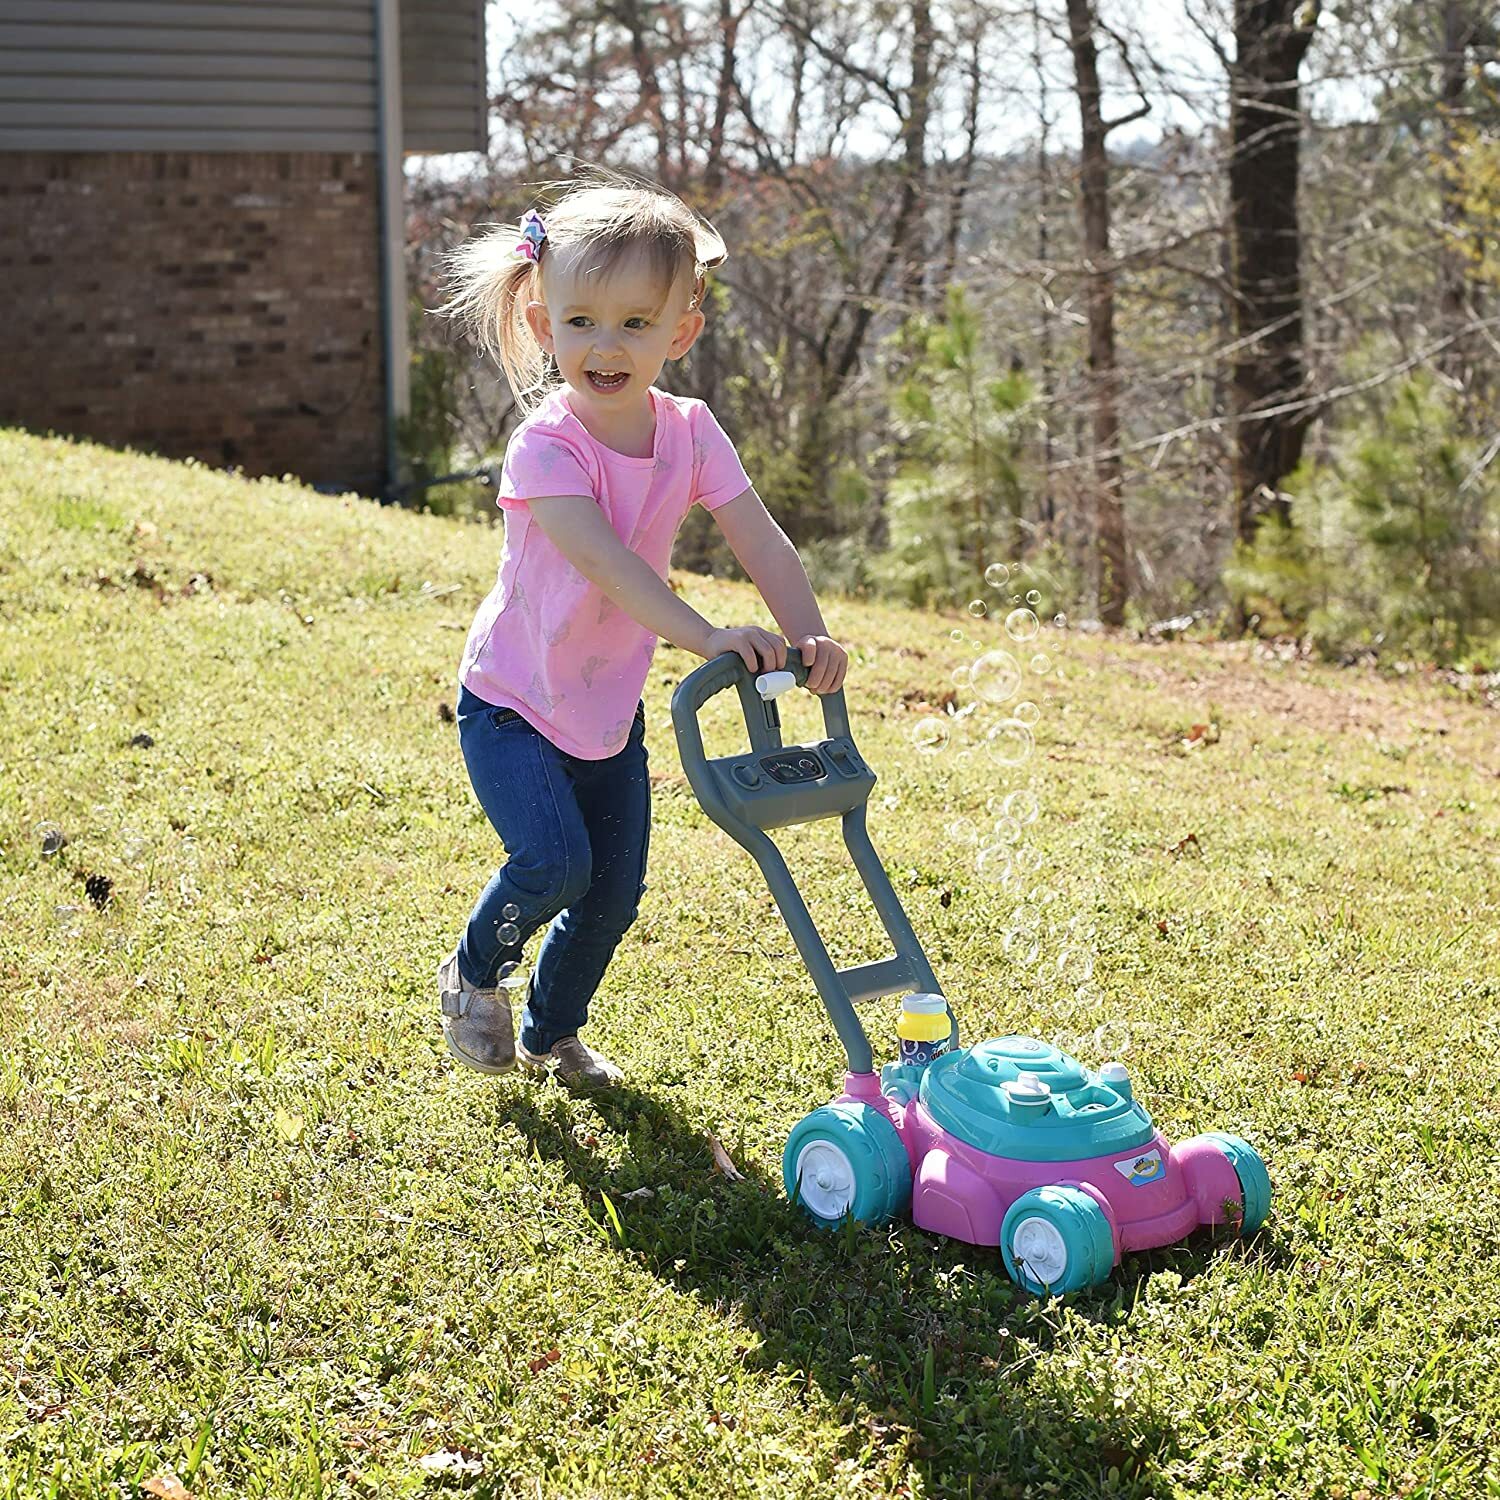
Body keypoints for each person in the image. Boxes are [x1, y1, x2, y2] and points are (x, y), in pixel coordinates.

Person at [434, 173, 849, 1087]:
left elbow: (763, 541)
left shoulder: (692, 433)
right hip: (514, 700)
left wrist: (810, 638)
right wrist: (707, 636)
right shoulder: (547, 447)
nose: (605, 345)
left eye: (633, 322)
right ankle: (472, 974)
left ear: (680, 332)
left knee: (613, 893)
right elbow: (611, 570)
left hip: (605, 710)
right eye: (580, 321)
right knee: (554, 863)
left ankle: (550, 1034)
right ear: (545, 325)